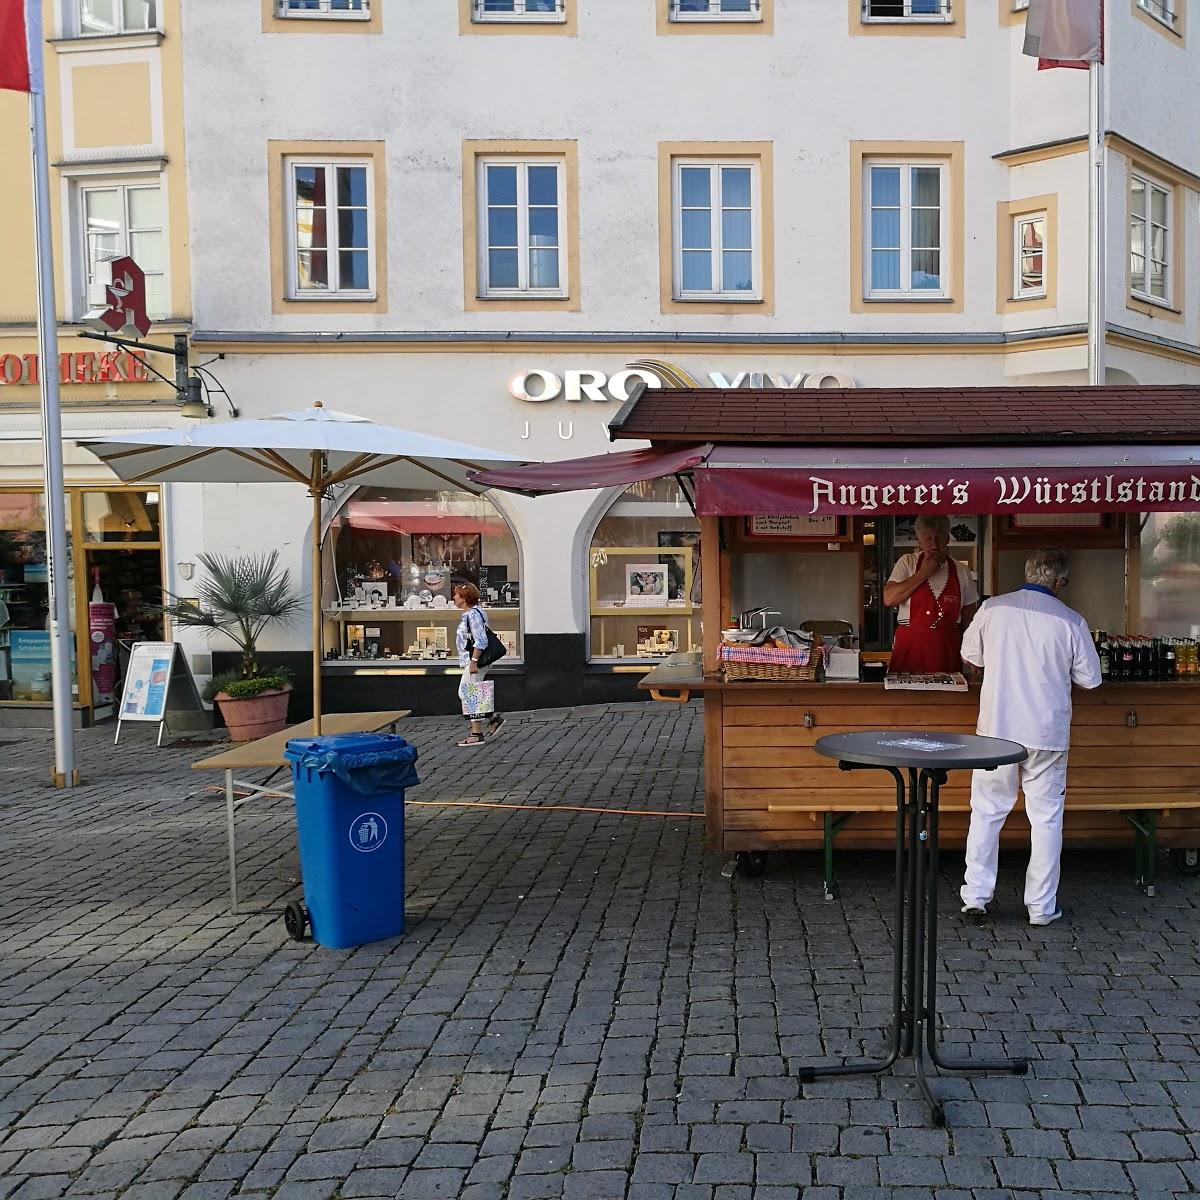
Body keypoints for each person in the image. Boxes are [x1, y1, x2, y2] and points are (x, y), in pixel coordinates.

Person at [959, 548, 1102, 926]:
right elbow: (1091, 679)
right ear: (1059, 582)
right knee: (1046, 820)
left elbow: (971, 655)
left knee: (987, 813)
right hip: (1046, 734)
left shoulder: (992, 610)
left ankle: (975, 896)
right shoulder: (1071, 621)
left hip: (996, 731)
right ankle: (1041, 907)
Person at [884, 515, 979, 674]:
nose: (933, 543)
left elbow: (969, 619)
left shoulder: (961, 571)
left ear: (947, 539)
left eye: (938, 537)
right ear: (919, 541)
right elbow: (889, 598)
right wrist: (923, 573)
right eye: (928, 538)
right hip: (910, 648)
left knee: (946, 698)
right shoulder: (907, 562)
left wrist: (973, 652)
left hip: (947, 649)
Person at [452, 582, 504, 748]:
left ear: (464, 598)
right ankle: (493, 719)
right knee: (472, 692)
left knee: (468, 693)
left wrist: (474, 661)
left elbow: (480, 640)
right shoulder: (474, 612)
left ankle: (476, 734)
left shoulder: (472, 615)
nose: (454, 597)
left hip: (475, 660)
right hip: (473, 660)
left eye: (456, 594)